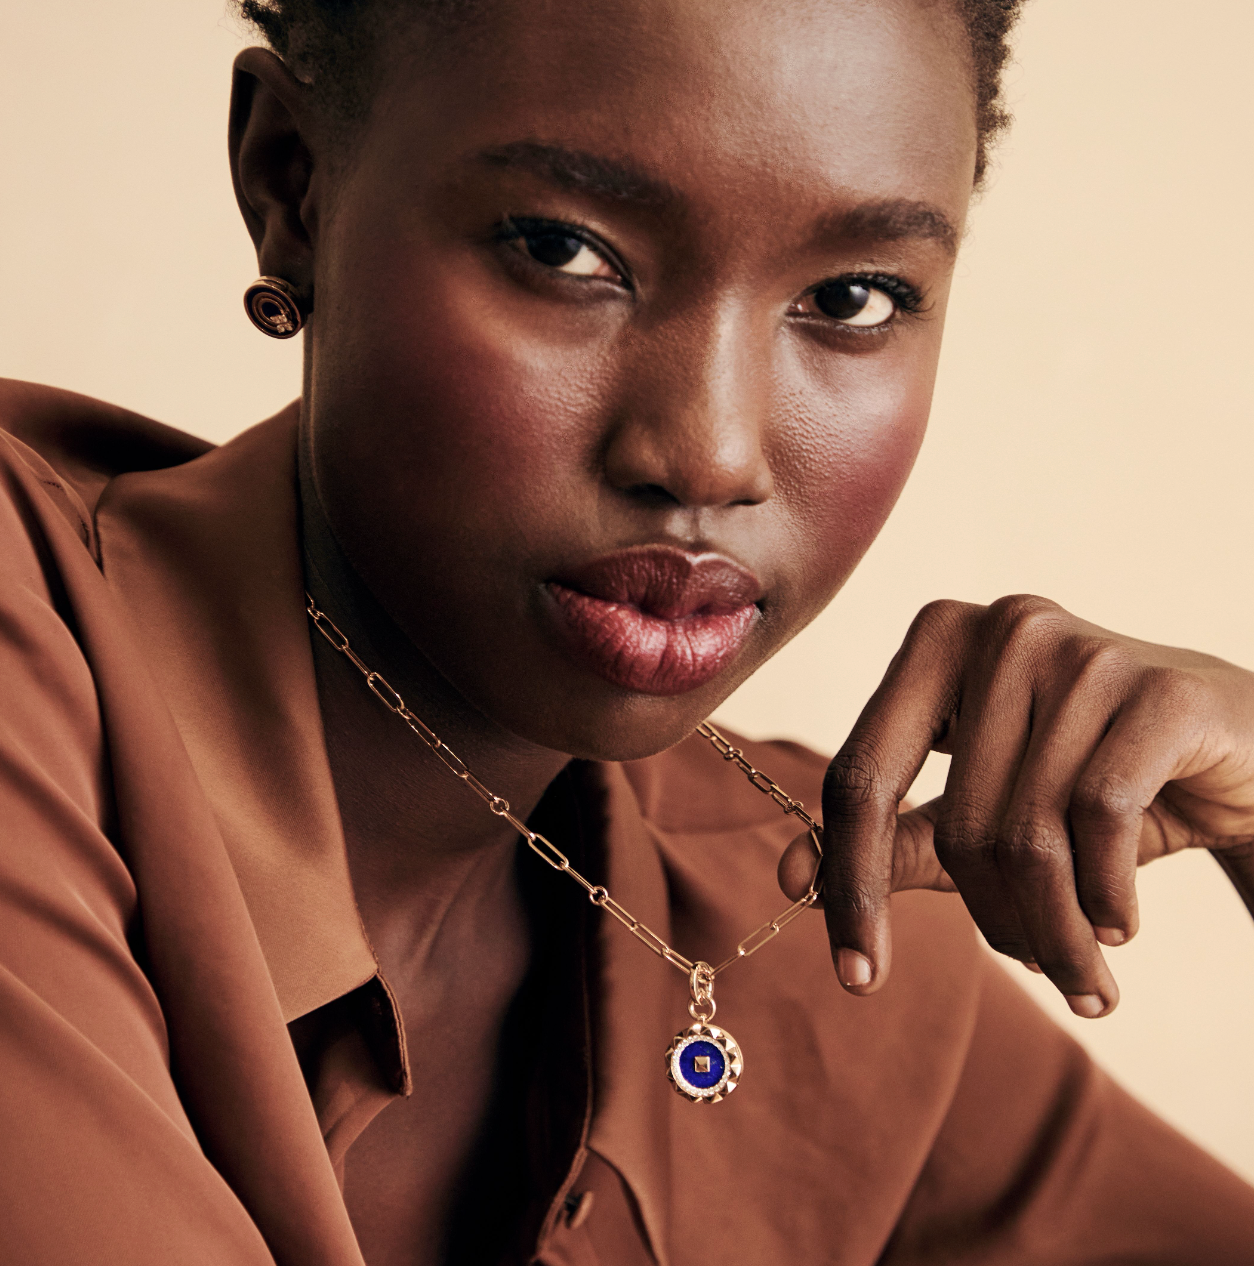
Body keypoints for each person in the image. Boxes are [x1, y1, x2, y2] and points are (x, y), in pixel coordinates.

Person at [2, 0, 1253, 1262]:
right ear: (293, 186)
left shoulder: (802, 921)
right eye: (564, 251)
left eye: (853, 295)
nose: (710, 453)